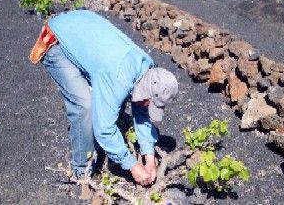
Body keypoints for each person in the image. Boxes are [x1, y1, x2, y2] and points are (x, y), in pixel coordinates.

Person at [29, 10, 179, 186]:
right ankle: (82, 172)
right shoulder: (117, 77)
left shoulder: (147, 69)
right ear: (147, 90)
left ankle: (102, 147)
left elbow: (142, 114)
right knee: (85, 106)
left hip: (83, 30)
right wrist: (132, 165)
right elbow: (104, 129)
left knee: (111, 105)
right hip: (59, 40)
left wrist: (149, 158)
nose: (147, 106)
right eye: (150, 102)